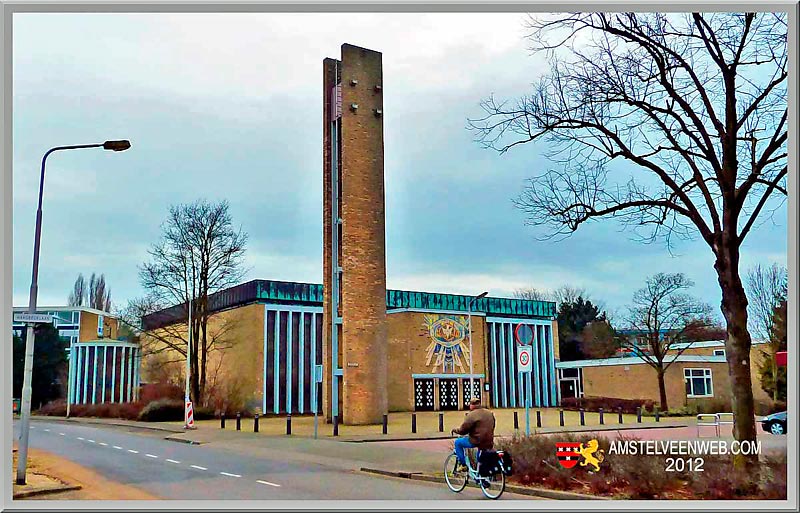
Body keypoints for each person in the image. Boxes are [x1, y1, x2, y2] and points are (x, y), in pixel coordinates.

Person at [450, 397, 495, 470]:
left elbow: (463, 430)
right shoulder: (489, 413)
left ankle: (463, 465)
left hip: (477, 440)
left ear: (471, 405)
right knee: (480, 455)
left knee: (458, 443)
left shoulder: (471, 415)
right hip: (489, 440)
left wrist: (455, 430)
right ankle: (480, 474)